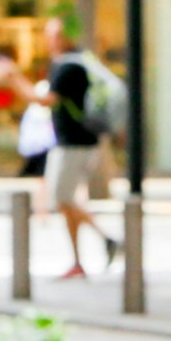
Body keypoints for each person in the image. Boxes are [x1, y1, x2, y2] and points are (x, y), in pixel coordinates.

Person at [43, 52, 116, 280]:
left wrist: (13, 79)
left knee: (62, 200)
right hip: (76, 144)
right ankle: (77, 262)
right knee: (67, 203)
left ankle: (107, 238)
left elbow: (46, 100)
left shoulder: (68, 68)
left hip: (73, 146)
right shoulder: (80, 64)